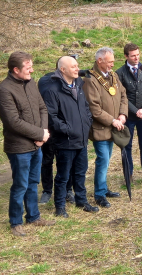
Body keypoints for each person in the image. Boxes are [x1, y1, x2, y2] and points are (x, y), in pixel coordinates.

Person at [0, 51, 55, 236]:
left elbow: (42, 108)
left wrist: (43, 133)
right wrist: (38, 134)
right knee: (20, 184)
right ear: (16, 69)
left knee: (33, 182)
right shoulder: (4, 90)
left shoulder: (31, 84)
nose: (32, 70)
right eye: (28, 68)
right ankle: (15, 221)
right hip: (19, 147)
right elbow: (13, 122)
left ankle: (34, 216)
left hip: (37, 143)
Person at [38, 56, 98, 217]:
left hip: (82, 138)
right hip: (66, 140)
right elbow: (51, 117)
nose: (77, 69)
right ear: (63, 70)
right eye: (73, 67)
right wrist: (69, 130)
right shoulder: (53, 90)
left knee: (80, 172)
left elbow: (85, 107)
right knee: (63, 175)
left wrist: (86, 124)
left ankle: (82, 200)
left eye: (77, 65)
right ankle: (60, 207)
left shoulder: (78, 85)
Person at [83, 47, 128, 207]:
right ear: (99, 61)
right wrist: (112, 121)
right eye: (109, 62)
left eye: (113, 61)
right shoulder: (90, 80)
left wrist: (123, 114)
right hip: (101, 129)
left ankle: (103, 188)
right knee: (103, 160)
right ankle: (99, 194)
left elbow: (123, 94)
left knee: (107, 160)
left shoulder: (113, 75)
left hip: (114, 126)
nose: (112, 64)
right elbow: (93, 108)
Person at [116, 43, 142, 189]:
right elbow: (121, 96)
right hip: (128, 117)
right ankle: (129, 175)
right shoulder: (119, 73)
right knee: (127, 146)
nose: (136, 58)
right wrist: (135, 110)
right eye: (133, 55)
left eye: (138, 55)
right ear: (126, 56)